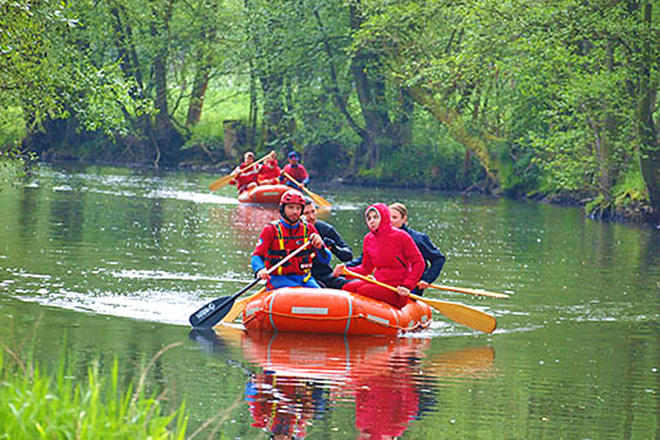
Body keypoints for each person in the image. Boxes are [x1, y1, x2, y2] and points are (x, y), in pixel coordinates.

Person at [333, 203, 424, 309]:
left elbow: (419, 263)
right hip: (379, 284)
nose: (371, 221)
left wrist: (407, 285)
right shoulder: (368, 239)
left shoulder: (402, 237)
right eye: (369, 218)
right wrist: (345, 271)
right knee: (348, 287)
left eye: (375, 217)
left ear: (384, 217)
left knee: (364, 290)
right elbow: (365, 269)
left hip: (397, 290)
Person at [252, 189, 330, 290]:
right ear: (283, 208)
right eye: (290, 207)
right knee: (298, 291)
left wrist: (320, 247)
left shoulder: (309, 229)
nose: (294, 212)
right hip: (278, 279)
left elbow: (326, 259)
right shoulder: (271, 230)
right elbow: (256, 256)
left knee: (319, 296)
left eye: (298, 208)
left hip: (304, 279)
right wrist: (260, 269)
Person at [388, 202, 445, 295]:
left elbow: (438, 259)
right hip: (389, 282)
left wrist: (427, 279)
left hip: (412, 285)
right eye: (388, 217)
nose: (390, 221)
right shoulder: (380, 237)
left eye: (394, 218)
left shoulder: (419, 239)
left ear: (404, 219)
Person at [302, 197, 353, 289]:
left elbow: (348, 255)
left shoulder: (325, 229)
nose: (311, 217)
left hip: (326, 276)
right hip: (302, 278)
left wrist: (334, 248)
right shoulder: (289, 232)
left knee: (354, 285)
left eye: (313, 212)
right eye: (306, 213)